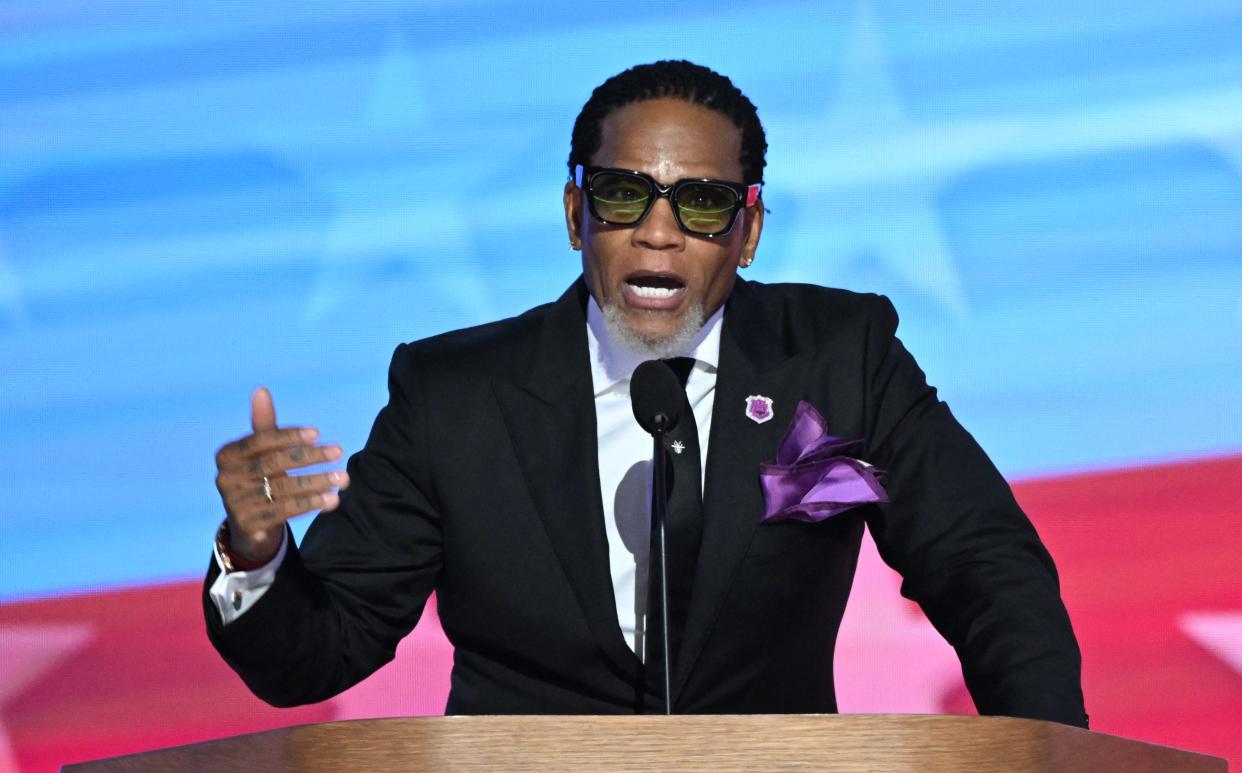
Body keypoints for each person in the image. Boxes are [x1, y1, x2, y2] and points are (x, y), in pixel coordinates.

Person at [206, 60, 1087, 726]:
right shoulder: (455, 397)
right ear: (574, 215)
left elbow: (985, 570)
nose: (658, 233)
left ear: (746, 233)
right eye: (624, 196)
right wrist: (255, 553)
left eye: (700, 205)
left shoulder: (835, 362)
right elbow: (315, 656)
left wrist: (1050, 767)